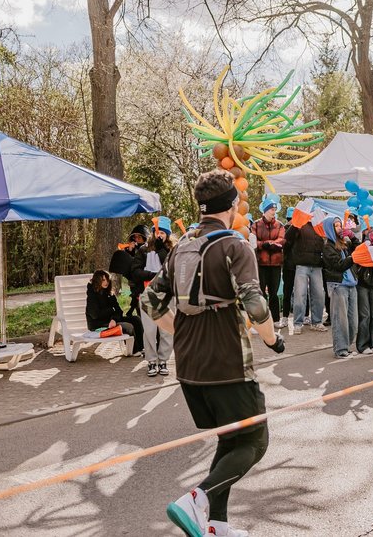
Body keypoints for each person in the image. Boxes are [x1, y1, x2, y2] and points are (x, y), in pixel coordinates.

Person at [144, 169, 285, 537]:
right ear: (232, 204)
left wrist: (183, 330)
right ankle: (196, 498)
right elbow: (256, 306)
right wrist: (272, 340)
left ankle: (216, 526)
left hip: (188, 363)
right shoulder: (236, 246)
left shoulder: (181, 246)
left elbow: (151, 302)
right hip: (227, 361)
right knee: (255, 440)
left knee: (229, 440)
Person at [138, 216, 174, 377]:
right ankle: (151, 361)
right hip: (147, 294)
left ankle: (163, 360)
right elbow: (135, 271)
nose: (160, 235)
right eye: (157, 232)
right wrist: (152, 274)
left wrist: (161, 250)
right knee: (150, 330)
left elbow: (170, 269)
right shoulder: (143, 250)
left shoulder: (171, 250)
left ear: (167, 234)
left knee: (166, 330)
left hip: (166, 295)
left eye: (163, 233)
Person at [321, 216, 359, 358]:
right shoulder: (327, 247)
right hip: (338, 286)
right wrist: (353, 258)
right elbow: (338, 265)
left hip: (351, 285)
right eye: (336, 226)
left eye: (340, 225)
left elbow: (358, 246)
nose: (339, 228)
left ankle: (347, 346)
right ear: (330, 228)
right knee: (340, 320)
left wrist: (353, 236)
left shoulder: (344, 244)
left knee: (353, 321)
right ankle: (340, 349)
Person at [284, 209, 326, 335]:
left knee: (319, 294)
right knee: (300, 295)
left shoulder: (319, 226)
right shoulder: (299, 224)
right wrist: (296, 223)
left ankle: (317, 322)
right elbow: (288, 237)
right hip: (301, 264)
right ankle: (298, 323)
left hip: (317, 265)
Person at [85, 269, 144, 355]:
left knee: (136, 320)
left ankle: (141, 348)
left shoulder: (109, 294)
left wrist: (114, 319)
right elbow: (95, 315)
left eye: (107, 279)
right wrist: (111, 311)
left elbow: (119, 311)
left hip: (111, 321)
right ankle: (134, 350)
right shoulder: (92, 295)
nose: (106, 282)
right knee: (127, 326)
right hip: (97, 324)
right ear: (97, 281)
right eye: (103, 280)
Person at [250, 199, 286, 329]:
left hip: (276, 264)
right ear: (265, 211)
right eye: (271, 209)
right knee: (261, 293)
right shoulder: (256, 224)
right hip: (261, 264)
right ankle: (262, 320)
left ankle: (276, 319)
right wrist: (264, 244)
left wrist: (269, 243)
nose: (273, 212)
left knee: (274, 293)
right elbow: (253, 241)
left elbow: (281, 240)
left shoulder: (280, 225)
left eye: (275, 210)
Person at [354, 219, 373, 355]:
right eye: (367, 229)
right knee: (365, 315)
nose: (370, 232)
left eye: (372, 229)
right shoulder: (359, 245)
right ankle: (362, 345)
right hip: (362, 284)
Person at [281, 207, 296, 325]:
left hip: (299, 264)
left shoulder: (300, 229)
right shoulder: (284, 230)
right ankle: (285, 316)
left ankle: (305, 315)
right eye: (290, 219)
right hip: (288, 265)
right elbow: (284, 245)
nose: (291, 221)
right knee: (287, 291)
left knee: (301, 293)